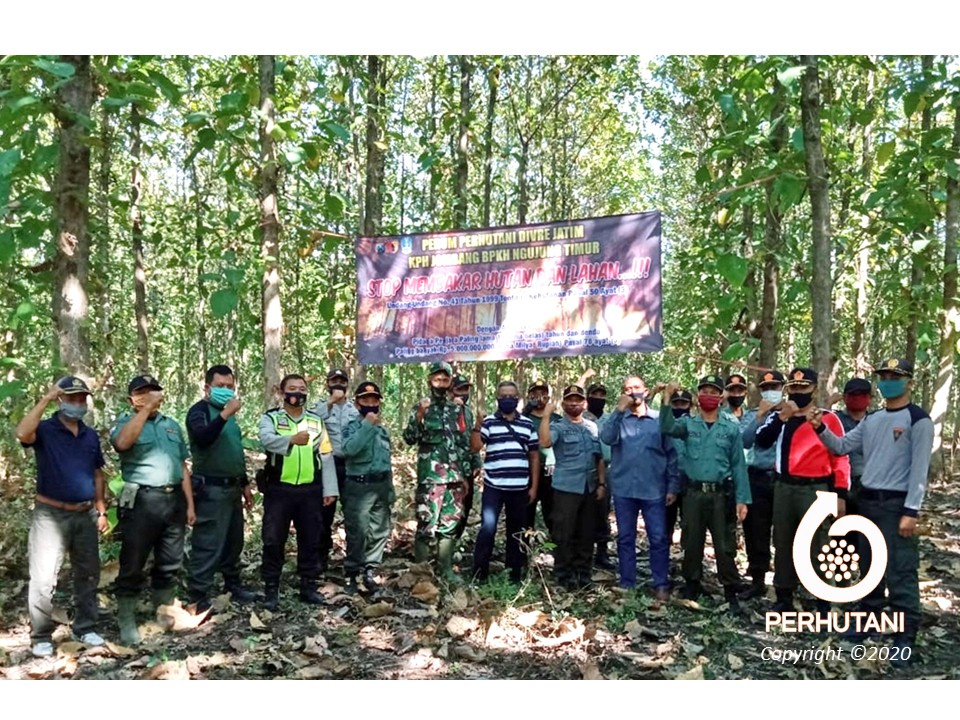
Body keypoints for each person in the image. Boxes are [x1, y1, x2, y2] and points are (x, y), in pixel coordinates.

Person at [809, 358, 932, 665]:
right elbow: (840, 446)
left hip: (897, 504)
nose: (888, 380)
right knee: (868, 563)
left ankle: (905, 636)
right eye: (884, 376)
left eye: (895, 376)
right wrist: (819, 427)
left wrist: (911, 511)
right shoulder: (873, 419)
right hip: (867, 501)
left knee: (901, 570)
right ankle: (869, 618)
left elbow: (920, 470)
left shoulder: (919, 420)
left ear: (909, 383)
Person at [16, 377, 108, 657]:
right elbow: (22, 434)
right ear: (61, 400)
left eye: (82, 399)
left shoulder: (90, 435)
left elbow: (97, 473)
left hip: (85, 513)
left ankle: (86, 626)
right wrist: (44, 398)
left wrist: (101, 509)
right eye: (72, 398)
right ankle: (41, 634)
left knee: (89, 572)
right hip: (50, 514)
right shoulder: (44, 429)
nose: (78, 404)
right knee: (44, 577)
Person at [754, 367, 850, 614]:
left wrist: (840, 494)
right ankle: (784, 596)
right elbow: (762, 441)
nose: (798, 392)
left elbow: (840, 457)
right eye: (794, 388)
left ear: (814, 389)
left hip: (817, 489)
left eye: (803, 387)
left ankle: (822, 601)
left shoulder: (827, 418)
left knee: (819, 543)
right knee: (783, 542)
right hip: (784, 488)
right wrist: (781, 418)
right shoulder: (782, 418)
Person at [111, 374, 196, 646]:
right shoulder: (125, 422)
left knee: (170, 561)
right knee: (133, 561)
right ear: (132, 398)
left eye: (153, 392)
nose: (149, 396)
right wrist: (145, 409)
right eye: (142, 392)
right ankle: (126, 618)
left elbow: (182, 465)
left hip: (173, 501)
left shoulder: (171, 425)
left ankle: (164, 610)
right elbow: (122, 444)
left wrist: (189, 504)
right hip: (142, 502)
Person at [659, 376, 751, 610]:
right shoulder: (689, 424)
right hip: (693, 494)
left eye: (714, 391)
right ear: (698, 396)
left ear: (721, 397)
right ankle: (692, 584)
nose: (708, 394)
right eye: (704, 390)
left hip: (720, 495)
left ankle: (730, 590)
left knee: (724, 544)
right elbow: (667, 427)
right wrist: (666, 399)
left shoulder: (730, 428)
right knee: (692, 540)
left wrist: (743, 499)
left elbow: (739, 465)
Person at [258, 374, 339, 610]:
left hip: (310, 490)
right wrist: (291, 440)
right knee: (273, 539)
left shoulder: (315, 421)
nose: (298, 393)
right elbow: (266, 440)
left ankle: (308, 586)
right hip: (279, 490)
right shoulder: (271, 418)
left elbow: (326, 454)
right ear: (282, 393)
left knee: (311, 538)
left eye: (302, 389)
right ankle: (271, 587)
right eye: (292, 388)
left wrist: (330, 489)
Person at [184, 365, 257, 614]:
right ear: (207, 387)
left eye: (230, 386)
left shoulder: (231, 418)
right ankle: (198, 595)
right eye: (220, 386)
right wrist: (225, 414)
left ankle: (233, 585)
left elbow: (234, 451)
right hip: (210, 489)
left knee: (233, 541)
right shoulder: (199, 411)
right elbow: (203, 438)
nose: (226, 390)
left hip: (232, 487)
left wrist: (245, 483)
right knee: (208, 543)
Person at [600, 376, 680, 599]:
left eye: (636, 388)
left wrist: (672, 486)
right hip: (624, 489)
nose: (632, 392)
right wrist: (618, 410)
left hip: (653, 489)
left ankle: (660, 583)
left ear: (646, 392)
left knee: (658, 538)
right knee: (625, 537)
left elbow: (671, 454)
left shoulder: (658, 420)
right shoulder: (618, 419)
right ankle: (627, 582)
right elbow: (606, 438)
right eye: (627, 389)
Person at [403, 361, 477, 581]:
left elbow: (464, 444)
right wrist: (419, 416)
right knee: (426, 523)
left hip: (454, 477)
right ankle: (421, 573)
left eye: (445, 379)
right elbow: (409, 439)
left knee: (450, 523)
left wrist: (466, 474)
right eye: (437, 379)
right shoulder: (421, 406)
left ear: (450, 382)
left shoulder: (458, 409)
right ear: (430, 380)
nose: (441, 383)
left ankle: (445, 570)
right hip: (431, 478)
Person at [471, 381, 540, 583]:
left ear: (518, 399)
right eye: (503, 396)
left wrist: (534, 487)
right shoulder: (490, 422)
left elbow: (534, 457)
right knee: (487, 529)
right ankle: (479, 574)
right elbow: (475, 447)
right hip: (494, 486)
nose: (507, 399)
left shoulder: (527, 424)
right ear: (498, 399)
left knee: (516, 533)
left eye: (511, 396)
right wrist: (478, 425)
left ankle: (513, 576)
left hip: (519, 488)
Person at [539, 385, 606, 590]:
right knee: (564, 533)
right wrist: (545, 416)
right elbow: (544, 441)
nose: (574, 403)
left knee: (586, 533)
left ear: (584, 403)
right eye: (570, 400)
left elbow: (599, 457)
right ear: (564, 403)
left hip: (589, 487)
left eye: (578, 400)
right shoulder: (559, 426)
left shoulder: (591, 427)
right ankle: (563, 573)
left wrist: (602, 483)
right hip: (566, 488)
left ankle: (583, 573)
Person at [340, 381, 395, 594]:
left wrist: (390, 489)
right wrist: (367, 426)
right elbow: (350, 449)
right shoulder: (352, 427)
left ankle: (370, 570)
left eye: (374, 400)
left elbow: (386, 461)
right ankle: (352, 574)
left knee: (380, 530)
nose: (370, 404)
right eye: (365, 400)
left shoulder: (382, 431)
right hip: (358, 487)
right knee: (358, 532)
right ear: (357, 403)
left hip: (380, 485)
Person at [737, 369, 785, 600]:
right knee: (756, 531)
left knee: (786, 532)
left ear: (783, 389)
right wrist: (759, 417)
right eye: (766, 388)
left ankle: (787, 584)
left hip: (784, 480)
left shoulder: (792, 414)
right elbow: (744, 442)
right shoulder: (751, 414)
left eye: (775, 387)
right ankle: (757, 580)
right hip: (756, 477)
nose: (770, 392)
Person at [314, 368, 359, 574]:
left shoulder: (354, 410)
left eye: (342, 381)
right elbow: (311, 422)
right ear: (328, 384)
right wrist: (331, 401)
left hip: (350, 466)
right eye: (334, 381)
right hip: (327, 466)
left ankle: (354, 560)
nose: (338, 385)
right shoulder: (320, 407)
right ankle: (320, 558)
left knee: (353, 513)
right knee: (324, 514)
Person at [583, 378, 614, 570]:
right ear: (588, 397)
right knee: (584, 512)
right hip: (585, 470)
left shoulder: (611, 419)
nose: (598, 398)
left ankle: (602, 553)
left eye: (602, 395)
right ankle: (584, 551)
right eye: (594, 394)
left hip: (608, 471)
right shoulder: (581, 417)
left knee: (603, 512)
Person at [522, 379, 560, 534]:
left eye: (543, 394)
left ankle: (556, 550)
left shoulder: (557, 419)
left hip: (551, 471)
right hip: (527, 470)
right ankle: (523, 551)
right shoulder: (523, 418)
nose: (539, 397)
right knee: (525, 513)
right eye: (535, 394)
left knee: (552, 512)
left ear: (548, 397)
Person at [832, 377, 872, 517]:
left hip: (869, 485)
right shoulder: (834, 419)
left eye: (862, 395)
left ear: (870, 398)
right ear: (844, 397)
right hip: (838, 484)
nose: (857, 398)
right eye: (853, 395)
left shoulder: (876, 422)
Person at [451, 372, 483, 542]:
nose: (463, 393)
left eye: (466, 390)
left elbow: (471, 437)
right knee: (451, 507)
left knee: (467, 504)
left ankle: (455, 540)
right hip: (449, 469)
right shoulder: (444, 411)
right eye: (459, 389)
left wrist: (476, 461)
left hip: (467, 467)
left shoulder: (468, 412)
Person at [665, 389, 693, 541]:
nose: (680, 407)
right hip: (667, 479)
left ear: (690, 405)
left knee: (689, 523)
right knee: (665, 522)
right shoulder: (665, 424)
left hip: (689, 480)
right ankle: (664, 559)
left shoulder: (695, 423)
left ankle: (687, 557)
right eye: (676, 403)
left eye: (684, 403)